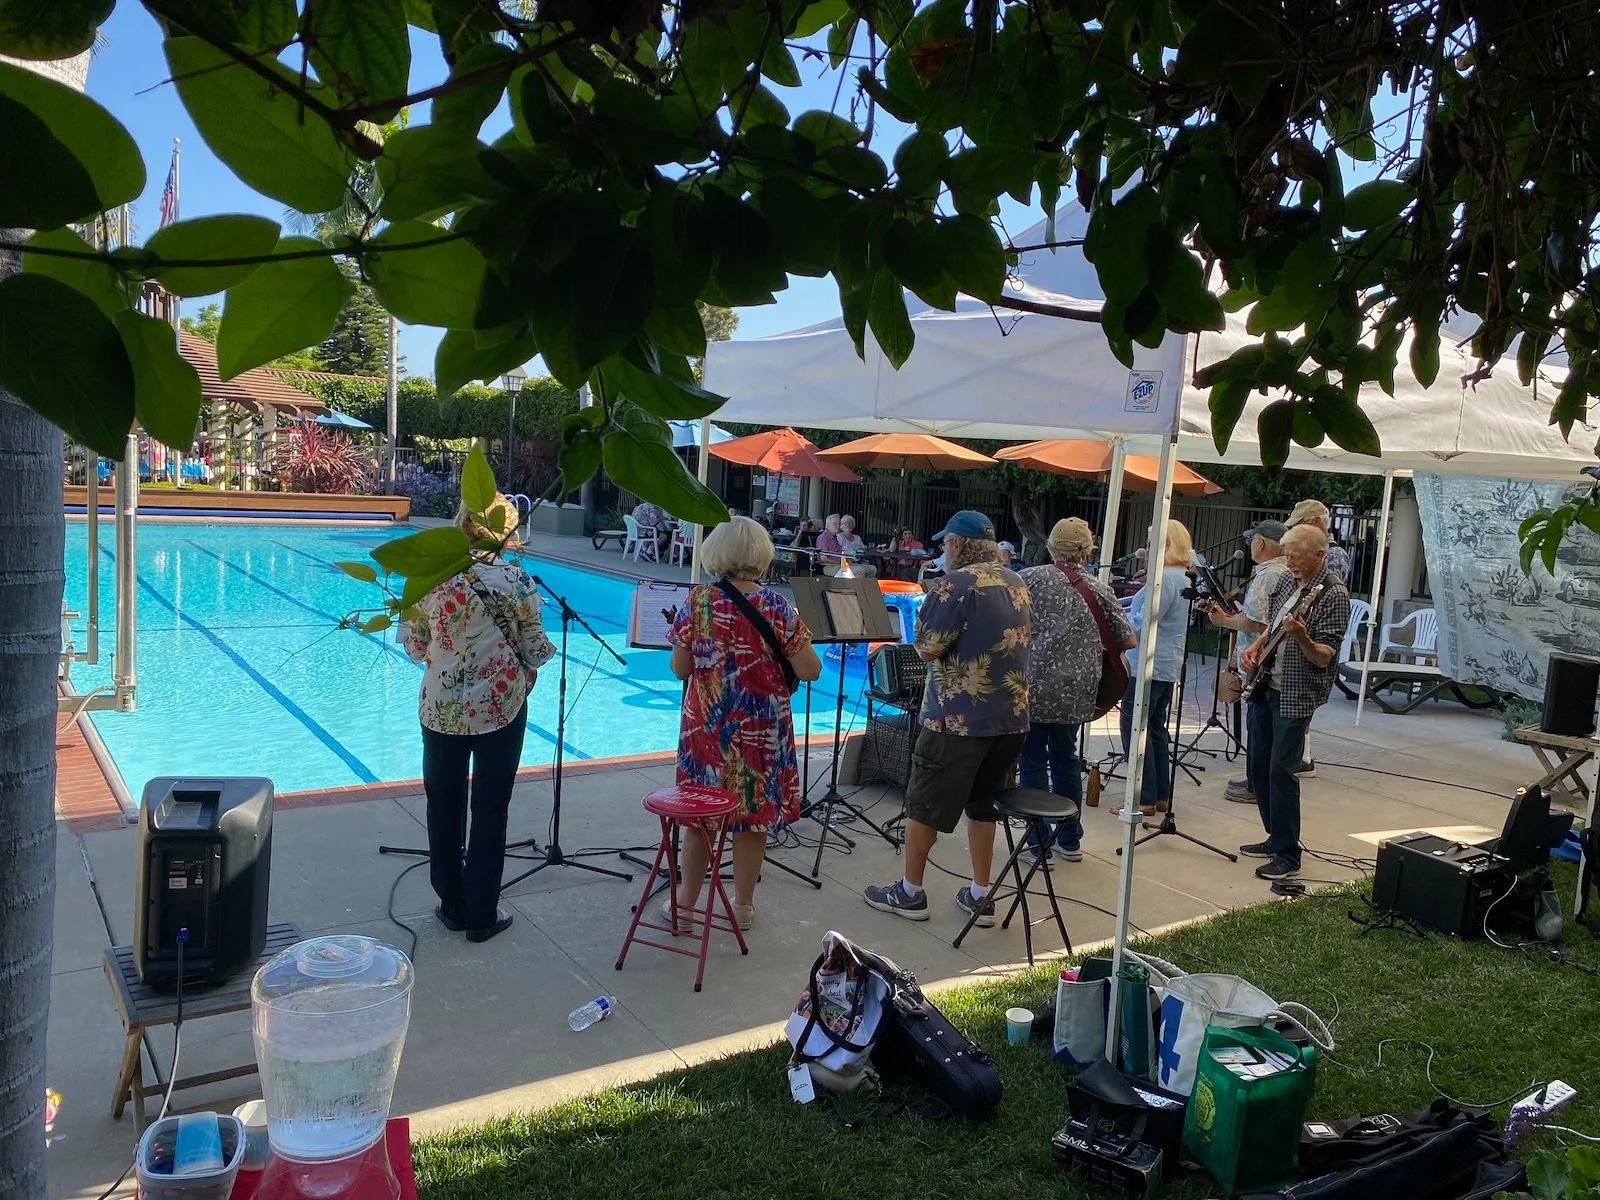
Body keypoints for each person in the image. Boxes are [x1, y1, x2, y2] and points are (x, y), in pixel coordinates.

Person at [864, 511, 1031, 926]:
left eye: (945, 544)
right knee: (985, 805)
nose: (942, 550)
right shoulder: (1017, 581)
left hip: (956, 720)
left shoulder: (953, 584)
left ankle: (910, 892)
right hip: (1010, 716)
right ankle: (980, 895)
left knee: (924, 803)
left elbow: (924, 648)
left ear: (956, 544)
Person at [405, 495, 556, 943]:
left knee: (443, 805)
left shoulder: (429, 575)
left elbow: (415, 647)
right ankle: (482, 914)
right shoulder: (518, 581)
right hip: (501, 708)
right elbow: (535, 650)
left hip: (440, 710)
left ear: (463, 523)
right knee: (491, 808)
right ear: (506, 532)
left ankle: (451, 903)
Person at [668, 517, 823, 929]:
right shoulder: (776, 606)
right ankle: (742, 906)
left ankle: (685, 905)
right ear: (761, 555)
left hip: (708, 731)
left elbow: (679, 668)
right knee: (753, 819)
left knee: (700, 819)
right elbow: (810, 670)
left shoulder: (699, 600)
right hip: (762, 733)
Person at [1237, 525, 1351, 880]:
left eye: (1296, 557)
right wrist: (1256, 647)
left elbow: (1323, 657)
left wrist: (1301, 635)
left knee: (1281, 771)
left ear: (1319, 555)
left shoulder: (1334, 595)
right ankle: (1276, 836)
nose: (1289, 562)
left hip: (1297, 692)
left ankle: (1289, 854)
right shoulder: (1288, 580)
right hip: (1267, 683)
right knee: (1258, 767)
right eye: (1286, 555)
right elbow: (1273, 627)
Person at [1018, 518, 1136, 860]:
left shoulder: (1030, 580)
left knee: (1033, 762)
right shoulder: (1099, 589)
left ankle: (1038, 842)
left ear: (1052, 546)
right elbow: (1127, 638)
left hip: (1034, 686)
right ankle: (1070, 839)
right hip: (1078, 690)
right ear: (1087, 551)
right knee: (1067, 760)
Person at [1206, 520, 1291, 805]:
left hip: (1260, 663)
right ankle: (1255, 779)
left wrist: (1224, 620)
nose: (1250, 545)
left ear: (1261, 543)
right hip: (1268, 663)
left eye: (1252, 539)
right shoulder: (1283, 571)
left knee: (1259, 729)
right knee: (1259, 728)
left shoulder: (1268, 574)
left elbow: (1257, 622)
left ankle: (1256, 785)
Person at [1115, 520, 1194, 816]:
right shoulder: (1181, 577)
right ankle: (1161, 794)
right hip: (1164, 664)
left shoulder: (1166, 579)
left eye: (1150, 544)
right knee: (1155, 730)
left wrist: (1113, 628)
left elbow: (1143, 620)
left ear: (1167, 545)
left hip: (1148, 665)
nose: (1145, 550)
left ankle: (1143, 797)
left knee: (1135, 729)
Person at [1285, 499, 1346, 776]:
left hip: (1314, 637)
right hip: (1293, 638)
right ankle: (1301, 757)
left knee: (1301, 708)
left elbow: (1323, 599)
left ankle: (1303, 758)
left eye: (1301, 524)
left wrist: (1303, 634)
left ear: (1316, 523)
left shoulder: (1333, 557)